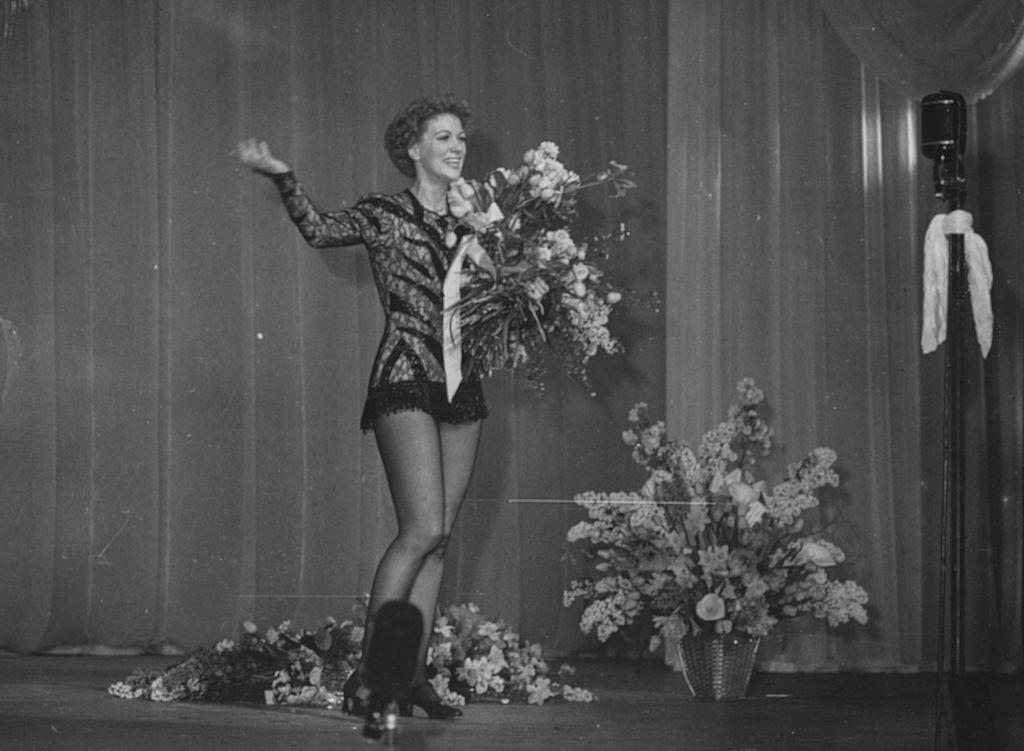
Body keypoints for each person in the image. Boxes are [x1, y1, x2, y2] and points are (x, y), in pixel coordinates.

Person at [235, 94, 488, 721]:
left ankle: (412, 675)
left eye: (461, 138)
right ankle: (370, 677)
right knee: (421, 528)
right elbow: (320, 231)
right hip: (404, 375)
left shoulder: (477, 220)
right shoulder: (383, 214)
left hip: (462, 384)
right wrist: (283, 176)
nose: (456, 147)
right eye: (442, 137)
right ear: (412, 148)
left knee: (441, 541)